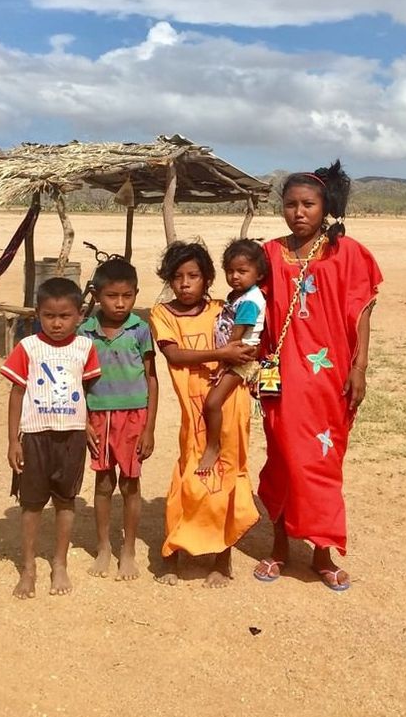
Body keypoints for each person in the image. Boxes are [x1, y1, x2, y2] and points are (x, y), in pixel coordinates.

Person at [253, 161, 382, 592]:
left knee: (322, 466)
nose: (298, 212)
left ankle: (322, 553)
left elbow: (362, 311)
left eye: (308, 204)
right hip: (282, 380)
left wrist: (359, 367)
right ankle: (279, 548)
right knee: (284, 462)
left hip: (329, 381)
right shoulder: (269, 254)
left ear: (326, 206)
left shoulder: (348, 254)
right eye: (290, 205)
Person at [150, 240, 259, 588]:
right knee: (187, 478)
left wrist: (236, 354)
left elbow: (248, 339)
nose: (185, 284)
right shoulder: (162, 314)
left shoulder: (221, 308)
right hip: (193, 409)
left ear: (208, 279)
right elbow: (175, 356)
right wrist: (221, 351)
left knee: (227, 476)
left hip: (230, 402)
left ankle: (221, 557)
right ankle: (174, 552)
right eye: (178, 277)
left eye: (193, 276)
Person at [1, 276, 101, 599]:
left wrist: (85, 422)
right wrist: (13, 440)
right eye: (49, 316)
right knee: (31, 504)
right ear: (37, 314)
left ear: (80, 315)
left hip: (71, 436)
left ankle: (59, 563)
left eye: (65, 316)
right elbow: (17, 393)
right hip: (35, 435)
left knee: (65, 500)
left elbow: (85, 390)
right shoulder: (27, 347)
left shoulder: (85, 348)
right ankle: (28, 567)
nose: (57, 324)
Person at [77, 258, 159, 582]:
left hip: (134, 415)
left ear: (136, 294)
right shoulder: (85, 332)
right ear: (97, 295)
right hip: (98, 415)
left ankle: (128, 550)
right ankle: (103, 547)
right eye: (112, 296)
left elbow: (152, 379)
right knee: (103, 482)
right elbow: (78, 382)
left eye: (127, 295)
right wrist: (83, 422)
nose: (120, 303)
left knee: (130, 483)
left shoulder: (139, 330)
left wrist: (149, 428)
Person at [195, 239, 267, 476]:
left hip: (240, 359)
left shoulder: (249, 301)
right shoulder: (238, 294)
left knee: (213, 402)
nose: (235, 276)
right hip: (234, 356)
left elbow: (236, 338)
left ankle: (213, 446)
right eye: (230, 271)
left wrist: (222, 364)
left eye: (242, 271)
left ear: (258, 274)